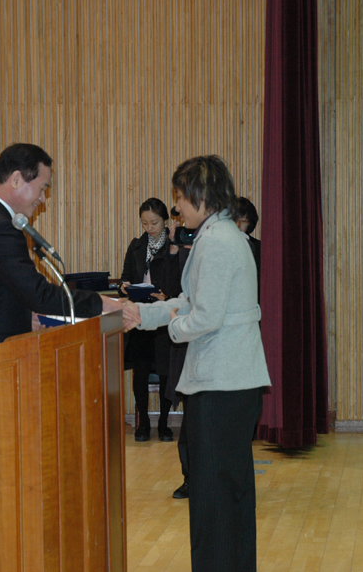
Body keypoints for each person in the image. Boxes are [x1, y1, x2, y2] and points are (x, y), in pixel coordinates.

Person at [122, 155, 270, 572]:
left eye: (181, 198)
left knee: (215, 497)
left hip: (222, 385)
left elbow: (204, 318)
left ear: (202, 196)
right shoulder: (218, 235)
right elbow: (189, 301)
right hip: (227, 383)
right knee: (227, 495)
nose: (177, 208)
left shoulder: (218, 242)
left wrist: (171, 326)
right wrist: (142, 314)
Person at [0, 143, 122, 364]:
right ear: (17, 179)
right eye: (42, 188)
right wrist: (100, 303)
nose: (43, 199)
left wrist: (26, 316)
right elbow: (39, 295)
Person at [119, 197, 178, 441]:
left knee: (165, 371)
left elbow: (180, 282)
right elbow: (125, 277)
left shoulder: (173, 246)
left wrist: (167, 296)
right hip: (140, 315)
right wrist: (125, 286)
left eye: (154, 223)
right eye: (145, 223)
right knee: (140, 370)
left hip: (164, 315)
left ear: (165, 221)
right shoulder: (136, 245)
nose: (149, 228)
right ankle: (143, 422)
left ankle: (164, 423)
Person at [234, 196, 261, 286]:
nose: (238, 225)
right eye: (234, 220)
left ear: (249, 223)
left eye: (243, 221)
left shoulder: (259, 248)